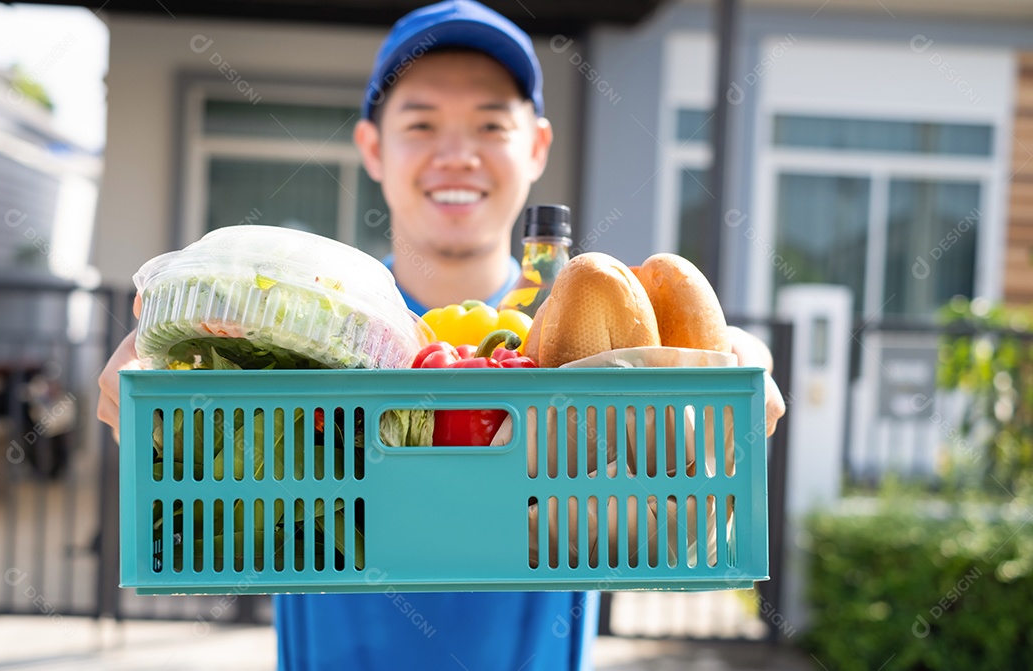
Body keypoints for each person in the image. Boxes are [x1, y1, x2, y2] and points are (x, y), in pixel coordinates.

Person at [97, 2, 786, 669]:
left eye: (491, 125)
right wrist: (161, 383)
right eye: (421, 124)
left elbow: (670, 436)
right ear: (371, 146)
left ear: (537, 145)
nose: (456, 154)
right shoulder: (315, 328)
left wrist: (743, 362)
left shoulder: (576, 340)